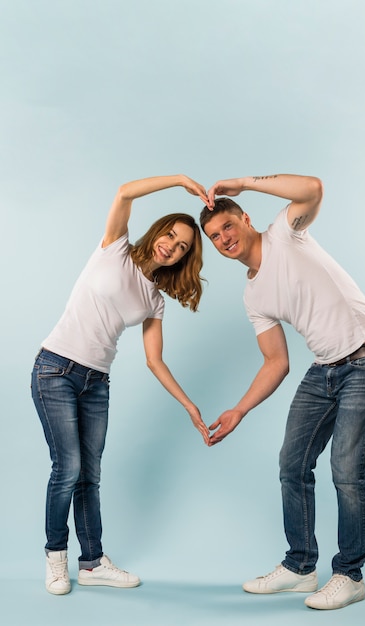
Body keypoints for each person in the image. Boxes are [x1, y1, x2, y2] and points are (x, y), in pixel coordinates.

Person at [200, 172, 365, 610]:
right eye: (214, 237)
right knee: (292, 463)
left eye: (228, 226)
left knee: (345, 467)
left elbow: (313, 188)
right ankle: (301, 567)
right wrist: (239, 410)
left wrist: (245, 183)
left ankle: (349, 575)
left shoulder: (285, 235)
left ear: (245, 219)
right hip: (325, 369)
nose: (224, 238)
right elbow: (276, 361)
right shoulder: (253, 295)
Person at [31, 174, 210, 595]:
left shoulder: (155, 299)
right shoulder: (116, 248)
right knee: (68, 468)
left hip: (96, 383)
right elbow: (125, 192)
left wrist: (189, 406)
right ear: (158, 231)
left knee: (89, 476)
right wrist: (181, 180)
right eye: (171, 235)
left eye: (183, 246)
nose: (173, 246)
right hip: (55, 368)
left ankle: (92, 562)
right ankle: (56, 559)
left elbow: (155, 360)